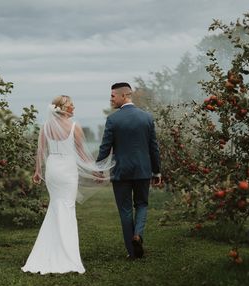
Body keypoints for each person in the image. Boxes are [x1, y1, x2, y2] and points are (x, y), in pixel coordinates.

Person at [22, 95, 114, 274]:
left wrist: (37, 171)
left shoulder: (45, 127)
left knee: (55, 207)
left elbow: (41, 150)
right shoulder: (74, 127)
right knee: (67, 208)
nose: (74, 107)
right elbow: (81, 152)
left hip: (53, 170)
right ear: (64, 108)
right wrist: (95, 169)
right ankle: (67, 255)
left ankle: (47, 251)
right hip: (67, 171)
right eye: (71, 105)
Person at [96, 82, 161, 259]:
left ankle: (132, 252)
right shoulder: (147, 117)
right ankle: (137, 234)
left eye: (113, 96)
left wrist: (99, 168)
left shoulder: (113, 120)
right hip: (142, 170)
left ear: (124, 95)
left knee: (125, 210)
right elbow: (153, 147)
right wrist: (157, 171)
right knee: (142, 204)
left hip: (121, 172)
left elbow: (105, 147)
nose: (111, 99)